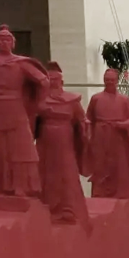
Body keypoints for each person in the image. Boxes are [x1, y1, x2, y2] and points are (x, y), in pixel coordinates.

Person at [0, 25, 49, 197]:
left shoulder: (20, 63)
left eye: (7, 39)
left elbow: (43, 81)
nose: (4, 42)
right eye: (0, 39)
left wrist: (38, 103)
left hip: (15, 108)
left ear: (13, 43)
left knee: (19, 148)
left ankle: (19, 185)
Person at [34, 62, 89, 225]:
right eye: (50, 79)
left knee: (66, 174)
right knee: (45, 174)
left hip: (65, 142)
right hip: (45, 143)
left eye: (56, 79)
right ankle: (47, 208)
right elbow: (31, 121)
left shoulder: (72, 101)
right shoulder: (39, 100)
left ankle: (68, 209)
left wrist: (85, 132)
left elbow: (81, 120)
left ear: (62, 81)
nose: (53, 82)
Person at [86, 68, 129, 199]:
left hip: (117, 137)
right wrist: (87, 134)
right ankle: (99, 192)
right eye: (107, 79)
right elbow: (88, 118)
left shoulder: (124, 100)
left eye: (112, 80)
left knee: (119, 165)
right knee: (100, 165)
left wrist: (123, 124)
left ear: (116, 81)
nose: (109, 82)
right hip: (100, 136)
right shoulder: (96, 98)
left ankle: (121, 193)